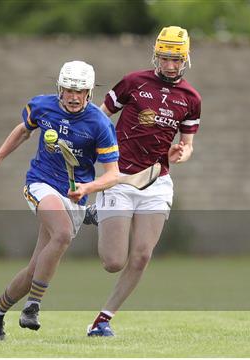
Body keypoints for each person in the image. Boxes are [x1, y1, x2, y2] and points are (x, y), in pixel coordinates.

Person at [0, 60, 120, 340]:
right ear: (59, 89)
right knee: (63, 234)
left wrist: (88, 188)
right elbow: (23, 130)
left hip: (74, 194)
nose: (74, 97)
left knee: (34, 270)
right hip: (40, 182)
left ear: (90, 93)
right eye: (68, 90)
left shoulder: (99, 123)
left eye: (81, 91)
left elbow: (112, 175)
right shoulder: (42, 106)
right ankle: (33, 306)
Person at [83, 26, 201, 337]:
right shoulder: (133, 83)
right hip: (119, 177)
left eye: (176, 59)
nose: (170, 65)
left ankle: (103, 320)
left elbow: (187, 144)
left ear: (185, 59)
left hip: (156, 181)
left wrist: (181, 152)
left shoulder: (191, 98)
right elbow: (99, 116)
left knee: (143, 255)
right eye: (165, 58)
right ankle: (93, 212)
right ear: (156, 56)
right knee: (113, 262)